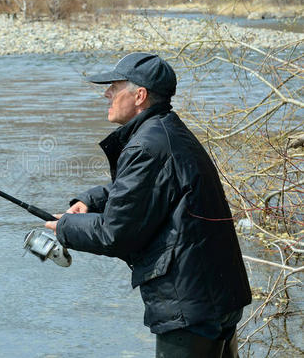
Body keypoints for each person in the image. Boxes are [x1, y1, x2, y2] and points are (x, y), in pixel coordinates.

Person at [45, 53, 252, 358]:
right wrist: (89, 202)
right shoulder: (167, 131)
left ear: (139, 95)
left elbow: (115, 233)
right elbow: (144, 189)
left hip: (190, 307)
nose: (107, 93)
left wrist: (65, 226)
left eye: (114, 87)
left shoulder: (147, 145)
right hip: (217, 297)